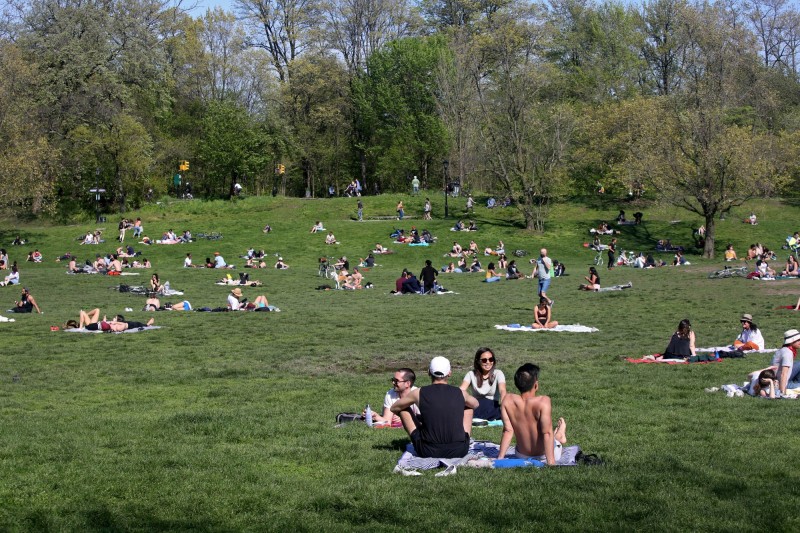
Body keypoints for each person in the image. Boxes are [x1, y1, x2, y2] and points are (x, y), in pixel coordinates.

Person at [391, 356, 478, 459]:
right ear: (449, 373)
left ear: (428, 372)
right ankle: (462, 437)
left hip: (427, 450)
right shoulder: (460, 393)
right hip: (459, 450)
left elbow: (394, 408)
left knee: (403, 408)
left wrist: (418, 423)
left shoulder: (418, 392)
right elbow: (475, 404)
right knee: (468, 407)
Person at [498, 363, 567, 465]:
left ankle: (558, 436)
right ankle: (559, 436)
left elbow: (508, 431)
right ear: (536, 384)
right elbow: (547, 433)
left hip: (521, 455)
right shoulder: (543, 401)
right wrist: (551, 462)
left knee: (550, 435)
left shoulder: (507, 400)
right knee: (552, 437)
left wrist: (500, 458)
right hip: (542, 456)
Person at [460, 348, 506, 421]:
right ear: (478, 361)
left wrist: (504, 406)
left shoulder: (498, 373)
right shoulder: (471, 374)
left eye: (491, 359)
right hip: (476, 405)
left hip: (492, 406)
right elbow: (461, 390)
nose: (488, 362)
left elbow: (502, 390)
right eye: (484, 360)